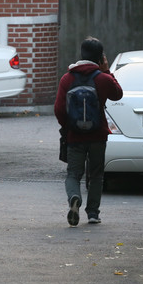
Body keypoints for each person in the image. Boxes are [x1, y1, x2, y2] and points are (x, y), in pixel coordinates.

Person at [54, 37, 123, 226]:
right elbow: (118, 94)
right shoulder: (103, 78)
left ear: (81, 55)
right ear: (101, 58)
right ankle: (93, 213)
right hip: (97, 135)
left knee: (73, 174)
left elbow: (59, 109)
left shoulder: (67, 78)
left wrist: (68, 127)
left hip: (75, 136)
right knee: (96, 175)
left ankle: (74, 198)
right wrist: (107, 70)